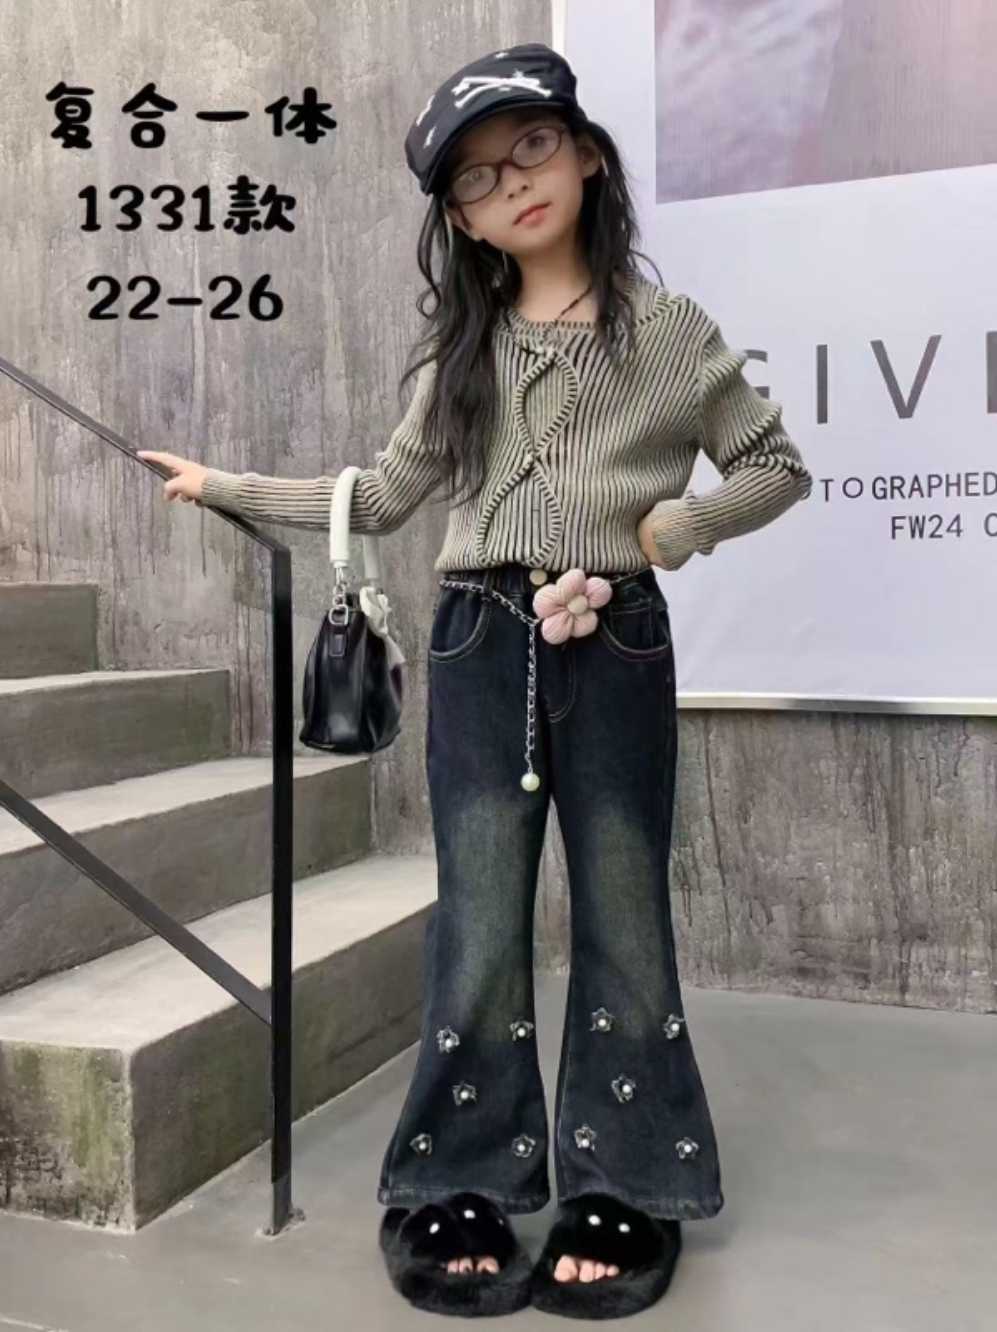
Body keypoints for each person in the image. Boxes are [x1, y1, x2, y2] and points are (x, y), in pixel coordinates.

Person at [140, 41, 812, 1318]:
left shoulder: (671, 335)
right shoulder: (462, 350)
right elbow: (385, 496)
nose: (512, 185)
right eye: (476, 179)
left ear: (587, 153)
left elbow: (773, 465)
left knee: (623, 910)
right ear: (459, 221)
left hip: (614, 634)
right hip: (477, 637)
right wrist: (226, 486)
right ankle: (458, 1175)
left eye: (531, 149)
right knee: (481, 916)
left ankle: (625, 1179)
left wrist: (672, 530)